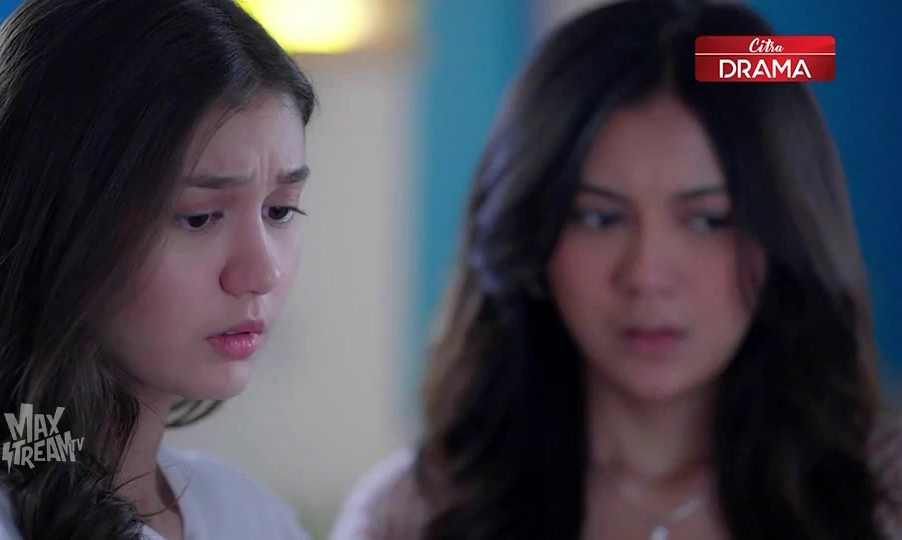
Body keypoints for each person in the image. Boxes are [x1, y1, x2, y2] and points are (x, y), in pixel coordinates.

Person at [330, 0, 902, 539]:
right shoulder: (415, 513)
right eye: (599, 218)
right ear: (532, 237)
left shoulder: (881, 496)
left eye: (708, 221)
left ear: (787, 234)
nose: (647, 274)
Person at [0, 0, 315, 538]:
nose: (262, 274)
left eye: (279, 211)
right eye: (199, 217)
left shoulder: (251, 516)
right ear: (55, 225)